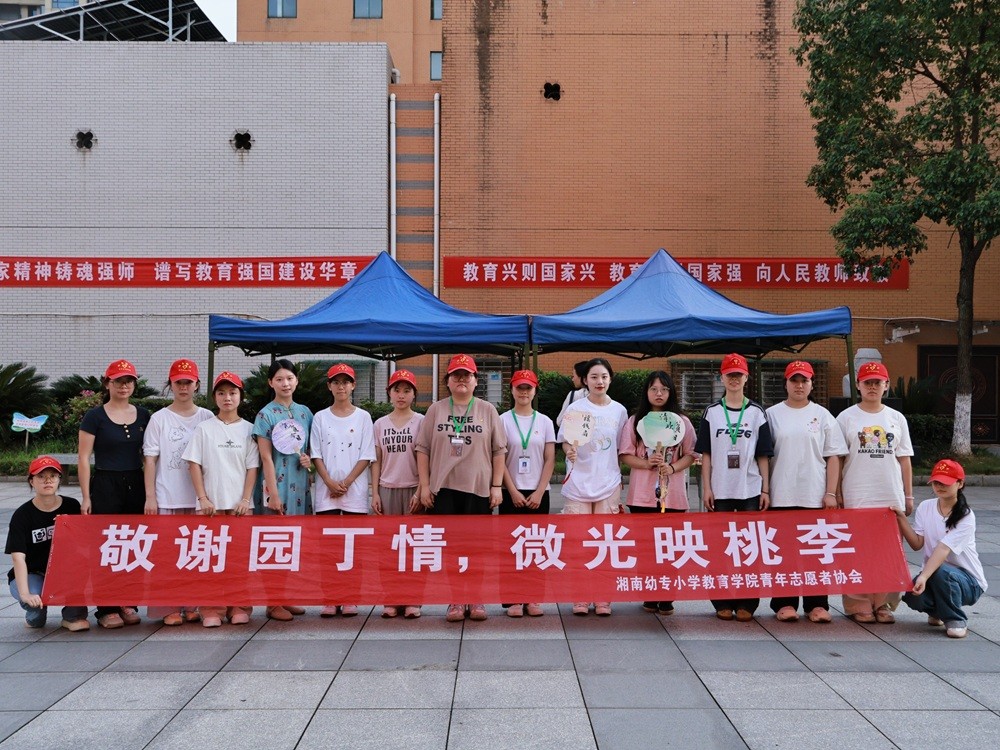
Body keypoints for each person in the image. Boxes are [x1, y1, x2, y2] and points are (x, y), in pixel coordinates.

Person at [415, 353, 507, 622]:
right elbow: (422, 449)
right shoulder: (436, 410)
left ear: (476, 380)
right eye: (456, 375)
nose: (462, 379)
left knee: (477, 548)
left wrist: (497, 485)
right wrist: (424, 486)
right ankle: (455, 599)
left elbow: (499, 451)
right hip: (443, 489)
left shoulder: (487, 410)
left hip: (478, 490)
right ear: (448, 381)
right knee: (451, 548)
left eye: (467, 375)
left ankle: (476, 598)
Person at [765, 360, 847, 623]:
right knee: (784, 552)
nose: (799, 385)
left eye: (804, 381)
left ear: (812, 384)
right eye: (794, 380)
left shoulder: (822, 415)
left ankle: (817, 604)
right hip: (781, 492)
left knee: (816, 552)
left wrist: (831, 492)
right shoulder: (772, 414)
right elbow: (764, 456)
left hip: (814, 493)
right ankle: (784, 603)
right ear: (786, 383)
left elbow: (833, 456)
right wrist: (765, 490)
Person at [696, 353, 773, 622]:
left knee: (749, 548)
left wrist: (765, 489)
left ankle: (747, 603)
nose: (734, 379)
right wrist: (707, 488)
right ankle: (722, 601)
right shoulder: (712, 412)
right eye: (730, 374)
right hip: (720, 490)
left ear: (746, 378)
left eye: (738, 374)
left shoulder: (756, 413)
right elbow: (705, 454)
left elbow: (763, 454)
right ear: (722, 377)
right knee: (720, 548)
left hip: (749, 489)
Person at [837, 361, 914, 624]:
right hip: (857, 492)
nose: (872, 387)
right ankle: (858, 603)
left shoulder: (896, 418)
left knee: (889, 552)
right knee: (857, 551)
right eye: (867, 382)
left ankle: (884, 603)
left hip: (889, 494)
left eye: (877, 382)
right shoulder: (846, 417)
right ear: (858, 386)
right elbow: (837, 458)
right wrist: (836, 492)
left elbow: (904, 459)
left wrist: (908, 495)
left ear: (886, 385)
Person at [78, 358, 151, 629]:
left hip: (135, 483)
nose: (124, 385)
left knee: (134, 545)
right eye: (118, 380)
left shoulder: (143, 415)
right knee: (107, 546)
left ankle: (128, 601)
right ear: (107, 383)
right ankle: (106, 607)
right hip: (105, 484)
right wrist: (86, 496)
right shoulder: (94, 416)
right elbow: (84, 458)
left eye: (129, 381)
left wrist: (151, 493)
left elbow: (148, 456)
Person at [183, 371, 260, 627]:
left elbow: (252, 468)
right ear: (214, 397)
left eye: (233, 393)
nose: (227, 397)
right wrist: (202, 498)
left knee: (239, 560)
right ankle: (211, 609)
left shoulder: (249, 430)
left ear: (240, 396)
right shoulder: (204, 428)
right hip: (210, 507)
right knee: (209, 559)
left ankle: (239, 606)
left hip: (240, 508)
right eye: (222, 393)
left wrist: (246, 500)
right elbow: (194, 464)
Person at [618, 370, 698, 616]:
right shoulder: (635, 421)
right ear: (646, 392)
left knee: (671, 548)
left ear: (671, 392)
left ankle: (667, 596)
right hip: (642, 495)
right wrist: (646, 463)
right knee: (646, 549)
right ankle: (650, 595)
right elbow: (625, 455)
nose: (659, 393)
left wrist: (672, 467)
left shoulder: (681, 422)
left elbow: (691, 454)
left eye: (664, 389)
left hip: (673, 496)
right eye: (653, 389)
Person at [142, 358, 213, 626]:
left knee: (195, 553)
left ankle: (193, 604)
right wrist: (151, 496)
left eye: (188, 382)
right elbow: (150, 459)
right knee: (166, 555)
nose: (183, 387)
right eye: (178, 382)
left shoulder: (207, 417)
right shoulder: (159, 419)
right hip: (167, 497)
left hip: (198, 500)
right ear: (170, 385)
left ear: (197, 385)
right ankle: (168, 607)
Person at [558, 357, 628, 617]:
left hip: (608, 483)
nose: (600, 381)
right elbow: (566, 441)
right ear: (585, 380)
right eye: (594, 377)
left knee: (605, 543)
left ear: (610, 379)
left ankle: (603, 597)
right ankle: (580, 596)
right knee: (579, 543)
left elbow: (623, 447)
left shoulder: (619, 411)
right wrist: (569, 450)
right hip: (578, 482)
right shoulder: (576, 408)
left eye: (604, 377)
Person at [310, 363, 376, 617]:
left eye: (346, 382)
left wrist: (346, 483)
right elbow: (316, 453)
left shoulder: (363, 417)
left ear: (353, 385)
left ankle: (350, 597)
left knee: (353, 548)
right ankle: (330, 597)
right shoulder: (320, 417)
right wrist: (328, 481)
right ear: (329, 386)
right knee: (328, 548)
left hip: (354, 492)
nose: (341, 387)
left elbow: (366, 454)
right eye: (336, 382)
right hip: (326, 493)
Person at [896, 459, 986, 639]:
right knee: (913, 596)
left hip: (968, 582)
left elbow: (943, 549)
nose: (939, 486)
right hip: (935, 575)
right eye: (936, 482)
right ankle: (939, 612)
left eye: (945, 482)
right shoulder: (926, 506)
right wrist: (900, 517)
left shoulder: (966, 515)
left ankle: (955, 619)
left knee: (941, 571)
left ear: (960, 484)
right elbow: (916, 543)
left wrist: (923, 576)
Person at [252, 358, 314, 622]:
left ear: (296, 380)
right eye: (279, 379)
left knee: (293, 543)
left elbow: (311, 452)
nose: (285, 383)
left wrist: (309, 462)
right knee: (274, 542)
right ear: (271, 383)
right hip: (275, 486)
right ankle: (272, 601)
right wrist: (273, 492)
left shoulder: (305, 413)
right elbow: (265, 457)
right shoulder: (265, 415)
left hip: (300, 487)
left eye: (289, 378)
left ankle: (286, 595)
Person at [5, 456, 89, 632]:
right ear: (31, 482)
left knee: (79, 574)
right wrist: (25, 594)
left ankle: (73, 616)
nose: (48, 480)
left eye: (53, 476)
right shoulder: (22, 515)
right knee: (36, 609)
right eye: (41, 476)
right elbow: (18, 558)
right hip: (33, 573)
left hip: (63, 571)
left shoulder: (71, 506)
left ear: (59, 480)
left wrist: (68, 527)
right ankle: (34, 616)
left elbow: (84, 544)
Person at [500, 369, 557, 618]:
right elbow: (499, 458)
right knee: (511, 548)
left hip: (538, 492)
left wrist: (539, 490)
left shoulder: (544, 421)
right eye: (519, 387)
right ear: (512, 390)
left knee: (537, 547)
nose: (524, 392)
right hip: (510, 491)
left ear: (535, 391)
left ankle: (533, 597)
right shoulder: (502, 420)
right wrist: (512, 490)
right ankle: (513, 598)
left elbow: (550, 458)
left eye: (528, 388)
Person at [371, 368, 425, 619]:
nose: (401, 395)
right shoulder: (380, 424)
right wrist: (375, 492)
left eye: (406, 390)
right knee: (389, 548)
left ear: (414, 394)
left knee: (415, 548)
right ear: (389, 393)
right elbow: (376, 461)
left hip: (414, 490)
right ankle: (391, 598)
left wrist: (422, 490)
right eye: (397, 390)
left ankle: (413, 598)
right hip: (387, 490)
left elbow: (426, 459)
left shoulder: (422, 421)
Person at [556, 360, 590, 428]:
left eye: (574, 376)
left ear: (582, 377)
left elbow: (560, 421)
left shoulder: (574, 395)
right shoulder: (601, 397)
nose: (573, 379)